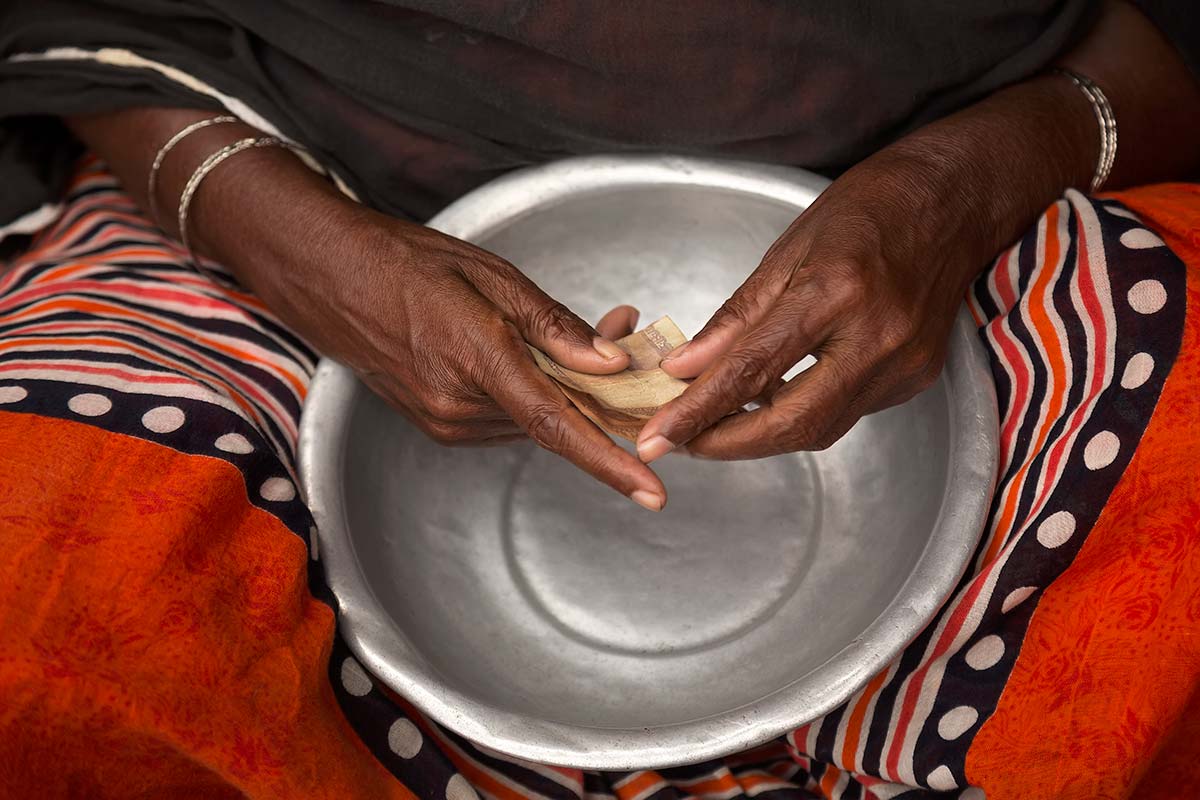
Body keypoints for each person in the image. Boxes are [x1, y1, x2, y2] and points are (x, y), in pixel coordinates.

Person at [0, 1, 1198, 798]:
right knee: (61, 595)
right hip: (269, 166)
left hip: (991, 177)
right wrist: (302, 252)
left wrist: (975, 174)